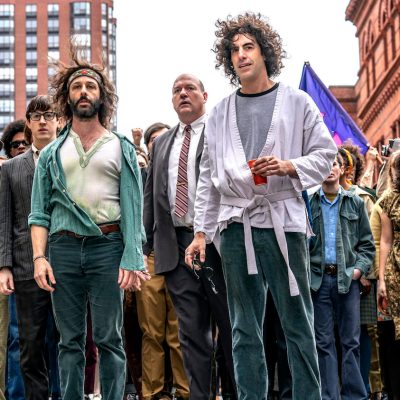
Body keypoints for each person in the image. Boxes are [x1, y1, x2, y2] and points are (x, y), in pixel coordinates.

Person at [185, 12, 337, 400]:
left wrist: (289, 166)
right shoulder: (218, 112)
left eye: (248, 46)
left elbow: (325, 153)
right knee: (242, 327)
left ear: (265, 51)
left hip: (284, 220)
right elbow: (207, 178)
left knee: (298, 323)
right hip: (235, 226)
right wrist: (201, 232)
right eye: (234, 50)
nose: (241, 55)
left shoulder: (297, 102)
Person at [28, 47, 149, 399]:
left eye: (90, 86)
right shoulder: (51, 152)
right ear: (67, 96)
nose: (83, 91)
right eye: (77, 86)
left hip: (107, 248)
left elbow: (133, 208)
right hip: (63, 249)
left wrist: (132, 255)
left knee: (110, 339)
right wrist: (39, 257)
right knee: (70, 341)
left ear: (102, 96)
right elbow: (39, 213)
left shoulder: (121, 146)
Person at [143, 73, 237, 400]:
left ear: (205, 95)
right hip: (177, 249)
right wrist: (148, 247)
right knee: (191, 334)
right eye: (176, 90)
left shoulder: (222, 132)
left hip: (220, 246)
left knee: (230, 328)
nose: (183, 94)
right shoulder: (162, 144)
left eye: (190, 88)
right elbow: (152, 197)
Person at [0, 96, 61, 400]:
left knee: (68, 343)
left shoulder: (73, 159)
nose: (42, 121)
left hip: (68, 265)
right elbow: (5, 220)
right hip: (25, 266)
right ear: (28, 123)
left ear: (58, 121)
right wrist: (4, 266)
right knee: (30, 346)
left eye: (48, 115)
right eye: (35, 116)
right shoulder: (11, 168)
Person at [309, 153, 375, 400]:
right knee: (323, 343)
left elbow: (367, 246)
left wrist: (357, 271)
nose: (329, 169)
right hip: (319, 281)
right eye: (325, 165)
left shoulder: (355, 203)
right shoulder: (310, 202)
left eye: (334, 164)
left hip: (347, 280)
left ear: (341, 169)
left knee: (351, 342)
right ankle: (329, 396)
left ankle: (355, 396)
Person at [137, 122, 189, 400]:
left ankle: (185, 392)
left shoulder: (184, 168)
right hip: (153, 257)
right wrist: (143, 252)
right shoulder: (148, 173)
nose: (160, 144)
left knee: (179, 332)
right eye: (153, 141)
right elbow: (145, 207)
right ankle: (153, 393)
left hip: (182, 256)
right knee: (152, 332)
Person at [0, 118, 28, 400]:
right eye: (14, 144)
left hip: (29, 265)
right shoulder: (5, 173)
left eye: (25, 143)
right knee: (12, 339)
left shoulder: (41, 170)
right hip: (9, 265)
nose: (20, 147)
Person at [377, 150, 400, 399]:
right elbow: (385, 240)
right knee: (395, 335)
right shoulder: (387, 200)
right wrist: (382, 279)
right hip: (396, 273)